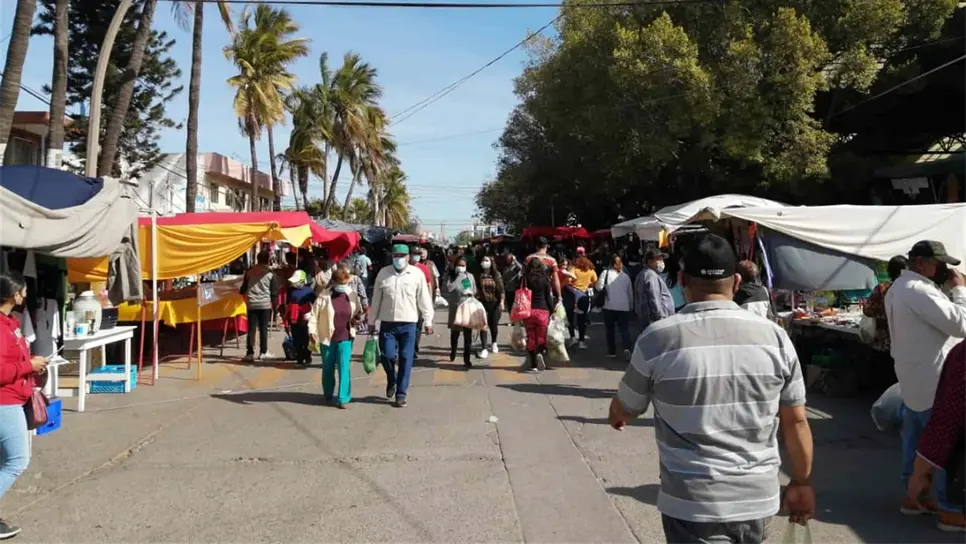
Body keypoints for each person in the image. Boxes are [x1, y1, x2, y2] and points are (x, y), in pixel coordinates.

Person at [609, 234, 814, 544]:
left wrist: (618, 415)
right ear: (735, 281)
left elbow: (626, 406)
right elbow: (796, 420)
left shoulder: (658, 338)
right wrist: (801, 481)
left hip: (693, 504)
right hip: (758, 500)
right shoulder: (775, 337)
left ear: (680, 280)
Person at [885, 240, 966, 525]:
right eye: (937, 263)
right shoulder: (918, 290)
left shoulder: (898, 288)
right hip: (935, 379)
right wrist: (960, 290)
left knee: (918, 441)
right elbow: (961, 324)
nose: (942, 268)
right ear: (920, 263)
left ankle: (914, 496)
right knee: (946, 445)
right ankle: (949, 507)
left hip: (915, 377)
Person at [0, 272, 48, 540]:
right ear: (13, 294)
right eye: (23, 290)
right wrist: (27, 366)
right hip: (4, 401)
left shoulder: (11, 322)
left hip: (14, 396)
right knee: (18, 460)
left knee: (3, 460)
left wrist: (32, 363)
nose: (26, 295)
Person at [368, 244, 434, 408]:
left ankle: (401, 393)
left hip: (409, 324)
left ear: (408, 257)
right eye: (395, 255)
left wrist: (428, 321)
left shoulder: (416, 274)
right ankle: (392, 378)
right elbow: (376, 300)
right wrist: (371, 321)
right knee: (387, 356)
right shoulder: (384, 273)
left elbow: (424, 299)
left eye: (401, 256)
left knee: (406, 358)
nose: (398, 259)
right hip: (388, 324)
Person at [308, 267, 362, 408]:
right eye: (342, 283)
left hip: (345, 337)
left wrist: (357, 319)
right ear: (335, 282)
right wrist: (312, 332)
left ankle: (343, 397)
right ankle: (328, 393)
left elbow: (358, 311)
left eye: (346, 283)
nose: (344, 286)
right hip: (327, 338)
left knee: (344, 368)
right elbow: (314, 315)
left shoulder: (351, 294)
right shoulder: (324, 296)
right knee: (328, 368)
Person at [863, 256, 907, 353]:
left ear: (889, 271)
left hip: (883, 341)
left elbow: (868, 310)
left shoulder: (882, 288)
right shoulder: (911, 289)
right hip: (904, 343)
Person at [240, 252, 279, 362]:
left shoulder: (249, 272)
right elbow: (274, 293)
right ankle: (263, 352)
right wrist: (276, 310)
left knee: (251, 329)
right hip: (265, 305)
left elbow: (243, 289)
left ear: (257, 259)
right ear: (267, 260)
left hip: (251, 304)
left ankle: (250, 353)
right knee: (263, 329)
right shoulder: (270, 274)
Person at [596, 255, 634, 360]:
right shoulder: (626, 276)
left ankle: (612, 351)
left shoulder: (605, 273)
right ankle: (627, 348)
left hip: (609, 306)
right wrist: (631, 306)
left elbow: (598, 287)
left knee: (610, 329)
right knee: (624, 329)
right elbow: (630, 293)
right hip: (624, 306)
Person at [522, 258, 554, 372]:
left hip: (528, 311)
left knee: (531, 337)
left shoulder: (525, 279)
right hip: (542, 311)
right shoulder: (545, 279)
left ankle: (533, 364)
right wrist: (552, 310)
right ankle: (540, 352)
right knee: (541, 336)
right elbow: (548, 297)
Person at [444, 257, 477, 367]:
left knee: (468, 334)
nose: (461, 267)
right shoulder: (451, 276)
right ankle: (453, 351)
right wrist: (458, 277)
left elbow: (474, 290)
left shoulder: (470, 276)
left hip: (467, 306)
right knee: (455, 333)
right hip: (455, 307)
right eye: (459, 265)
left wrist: (471, 292)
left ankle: (466, 358)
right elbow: (449, 288)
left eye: (463, 265)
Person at [634, 248, 675, 330]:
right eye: (658, 259)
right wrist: (660, 319)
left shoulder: (642, 274)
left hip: (646, 320)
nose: (661, 262)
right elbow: (654, 299)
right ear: (650, 261)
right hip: (656, 322)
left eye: (661, 259)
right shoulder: (651, 276)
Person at [284, 270, 316, 367]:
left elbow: (315, 304)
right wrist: (286, 319)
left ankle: (308, 356)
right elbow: (288, 305)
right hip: (294, 319)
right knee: (297, 339)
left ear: (302, 281)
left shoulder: (309, 291)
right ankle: (299, 359)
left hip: (306, 318)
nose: (294, 283)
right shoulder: (290, 291)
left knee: (306, 338)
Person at [476, 255, 504, 356]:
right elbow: (475, 288)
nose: (484, 262)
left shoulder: (496, 275)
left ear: (491, 262)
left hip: (494, 303)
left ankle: (494, 342)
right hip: (482, 303)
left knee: (494, 325)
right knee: (483, 325)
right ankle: (484, 348)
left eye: (487, 260)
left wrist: (501, 302)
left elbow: (501, 289)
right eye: (483, 260)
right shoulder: (479, 275)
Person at [569, 251, 598, 349]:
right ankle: (581, 341)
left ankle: (573, 337)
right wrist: (588, 285)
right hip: (584, 295)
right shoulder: (590, 270)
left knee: (571, 318)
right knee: (582, 319)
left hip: (573, 294)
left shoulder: (574, 269)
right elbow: (595, 281)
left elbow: (569, 280)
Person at [526, 237, 562, 302]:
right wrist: (559, 296)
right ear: (546, 246)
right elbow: (555, 279)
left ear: (536, 246)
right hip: (546, 291)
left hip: (530, 291)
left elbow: (524, 276)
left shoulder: (528, 259)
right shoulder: (552, 260)